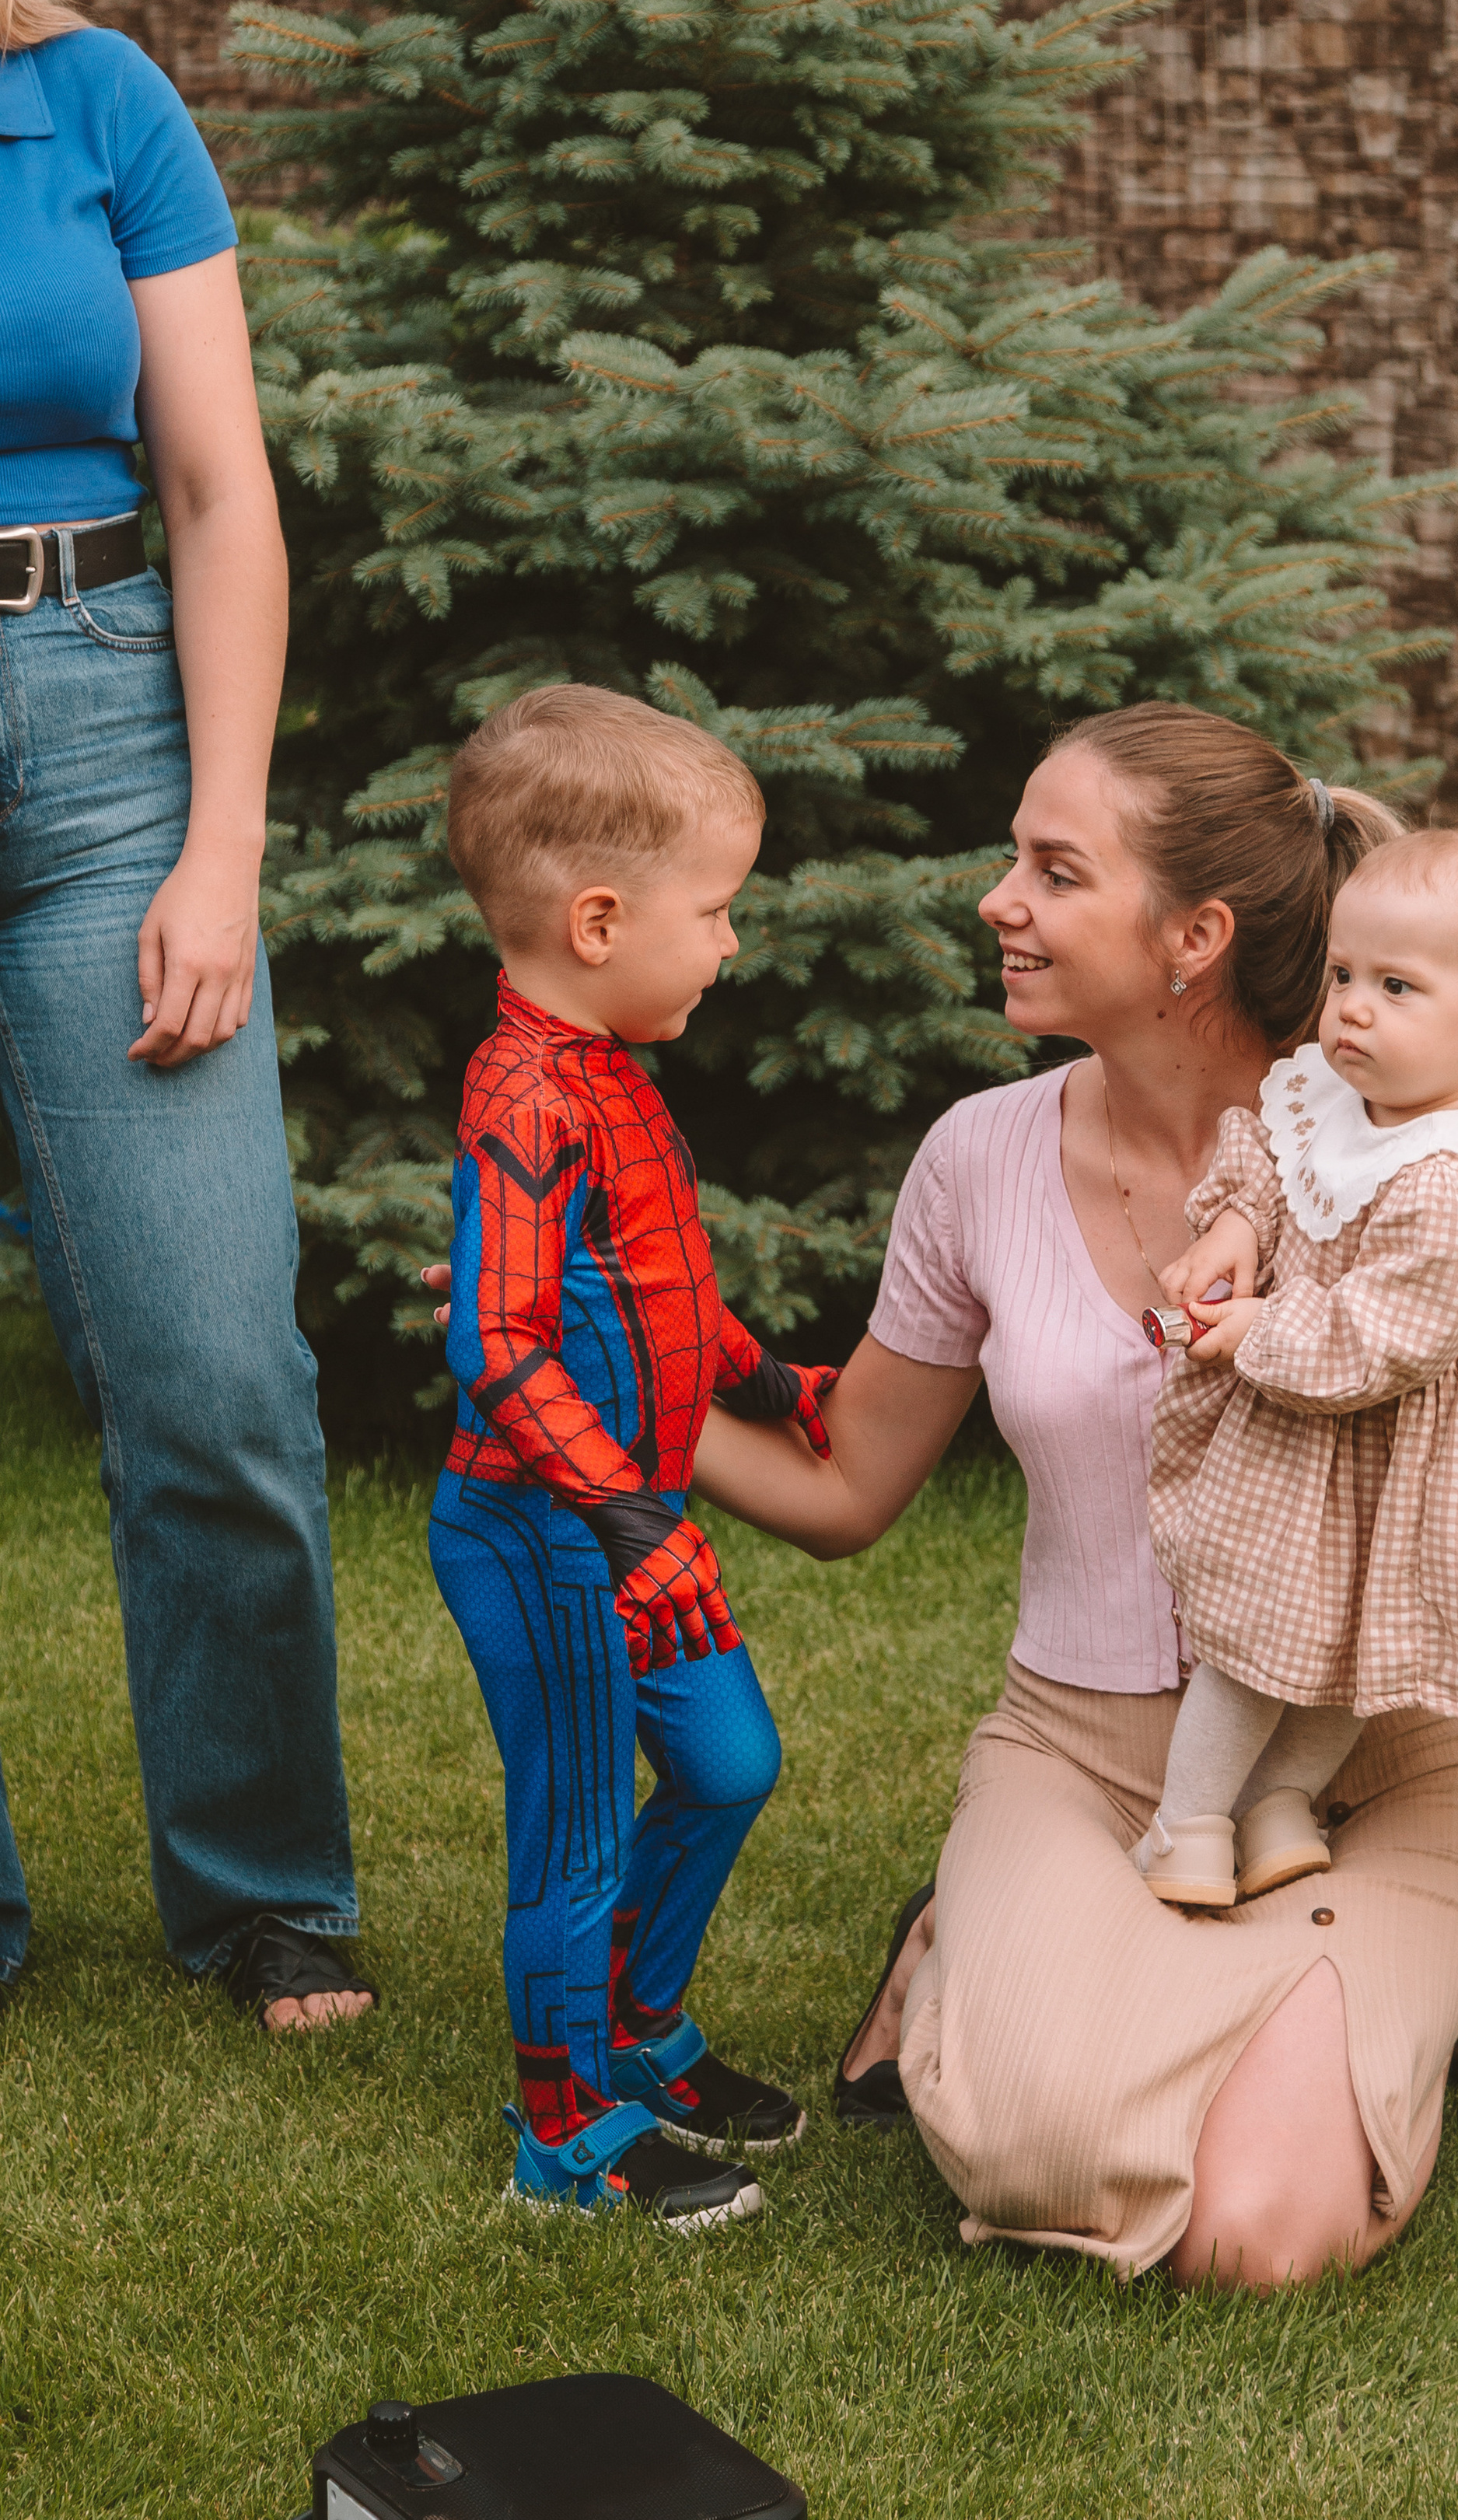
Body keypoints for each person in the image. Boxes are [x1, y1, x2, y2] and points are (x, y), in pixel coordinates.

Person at [687, 703, 1458, 2288]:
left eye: (1051, 871)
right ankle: (971, 1927)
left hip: (1349, 1768)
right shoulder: (975, 1159)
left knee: (1257, 2234)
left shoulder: (1405, 1147)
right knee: (1033, 2156)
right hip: (1078, 1750)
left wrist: (1381, 1399)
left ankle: (1429, 1942)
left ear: (1192, 936)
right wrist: (623, 1425)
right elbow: (849, 1485)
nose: (996, 900)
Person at [0, 0, 372, 2029]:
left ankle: (259, 1887)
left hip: (109, 733)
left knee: (215, 1368)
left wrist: (220, 846)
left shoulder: (97, 100)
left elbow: (224, 490)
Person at [431, 685, 839, 2226]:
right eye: (717, 911)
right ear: (599, 921)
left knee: (730, 1765)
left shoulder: (610, 1073)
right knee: (578, 1835)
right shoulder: (525, 1095)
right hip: (543, 1531)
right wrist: (621, 1520)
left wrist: (767, 1375)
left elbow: (657, 1282)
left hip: (629, 1520)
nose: (731, 944)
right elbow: (498, 1343)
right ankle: (565, 2139)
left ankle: (640, 2036)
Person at [1133, 825, 1458, 1912]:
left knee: (1349, 1645)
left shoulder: (1455, 1186)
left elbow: (1379, 1342)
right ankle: (1219, 1821)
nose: (1352, 1008)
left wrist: (1252, 1332)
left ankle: (1238, 1814)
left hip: (1401, 1449)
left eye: (1397, 986)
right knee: (1264, 1637)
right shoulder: (1343, 1089)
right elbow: (1279, 1154)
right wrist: (1235, 1221)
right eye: (1345, 976)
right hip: (1322, 1443)